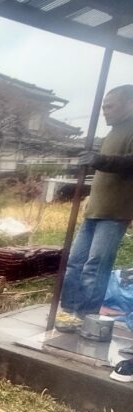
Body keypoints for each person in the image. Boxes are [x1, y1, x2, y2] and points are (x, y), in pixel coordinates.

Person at [57, 85, 133, 332]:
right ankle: (69, 310)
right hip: (94, 210)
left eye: (110, 106)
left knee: (95, 266)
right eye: (103, 107)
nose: (105, 111)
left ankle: (85, 315)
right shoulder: (112, 133)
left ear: (129, 104)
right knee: (75, 263)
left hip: (114, 213)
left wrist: (100, 160)